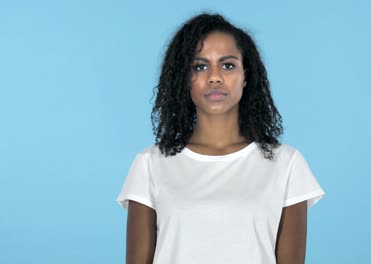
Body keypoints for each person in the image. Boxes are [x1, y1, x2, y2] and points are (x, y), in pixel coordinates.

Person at [116, 12, 326, 264]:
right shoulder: (150, 163)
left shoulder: (286, 163)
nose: (214, 77)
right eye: (200, 66)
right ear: (184, 78)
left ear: (246, 75)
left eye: (228, 65)